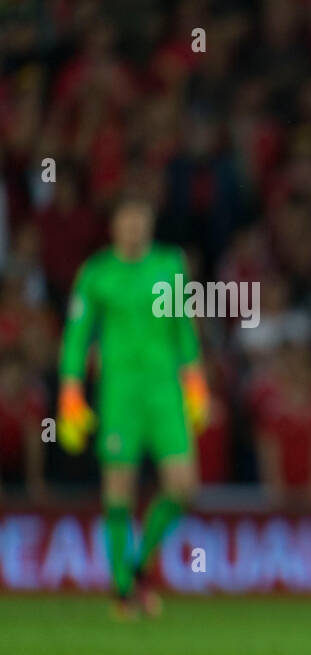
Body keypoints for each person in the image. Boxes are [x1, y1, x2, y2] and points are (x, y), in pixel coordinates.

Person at [57, 196, 209, 620]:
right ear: (113, 226)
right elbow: (76, 335)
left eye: (140, 219)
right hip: (119, 393)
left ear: (149, 223)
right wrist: (70, 388)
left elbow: (184, 328)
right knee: (118, 493)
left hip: (164, 392)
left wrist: (195, 378)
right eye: (126, 220)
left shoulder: (169, 265)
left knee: (184, 488)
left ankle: (139, 566)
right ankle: (123, 590)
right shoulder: (97, 274)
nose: (133, 228)